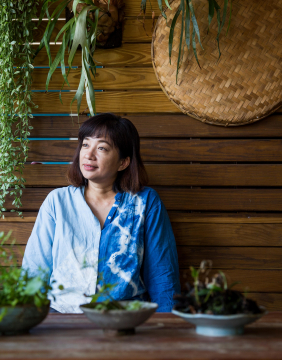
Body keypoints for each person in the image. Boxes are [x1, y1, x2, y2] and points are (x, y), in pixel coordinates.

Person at [22, 113, 180, 313]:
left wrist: (168, 327)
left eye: (102, 148)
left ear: (123, 162)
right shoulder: (57, 201)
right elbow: (35, 271)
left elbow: (162, 274)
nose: (88, 154)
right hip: (63, 316)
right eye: (85, 145)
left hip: (123, 317)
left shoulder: (146, 202)